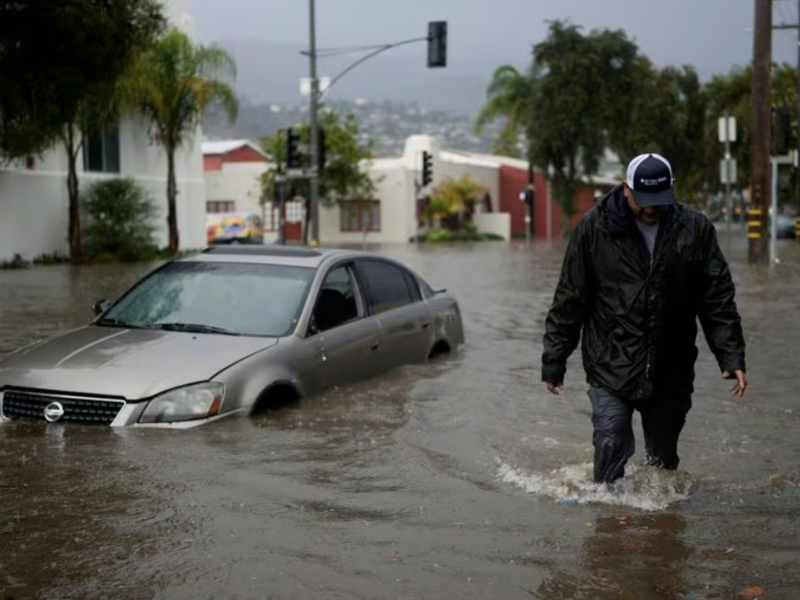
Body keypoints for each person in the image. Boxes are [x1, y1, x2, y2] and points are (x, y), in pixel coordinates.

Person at [541, 152, 747, 485]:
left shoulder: (695, 229)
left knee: (662, 466)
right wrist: (554, 360)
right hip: (611, 360)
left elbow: (716, 299)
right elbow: (570, 298)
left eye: (659, 199)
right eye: (643, 199)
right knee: (611, 442)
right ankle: (607, 522)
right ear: (626, 188)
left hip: (671, 366)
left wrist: (731, 354)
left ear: (672, 188)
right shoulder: (594, 228)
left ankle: (660, 527)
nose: (651, 207)